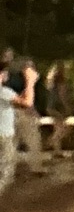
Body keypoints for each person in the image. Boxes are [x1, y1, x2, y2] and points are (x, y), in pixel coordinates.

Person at [12, 58, 43, 171]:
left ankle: (10, 167)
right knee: (33, 140)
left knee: (12, 142)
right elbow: (25, 99)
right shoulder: (25, 80)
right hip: (23, 112)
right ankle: (36, 167)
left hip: (13, 113)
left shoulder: (14, 79)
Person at [0, 68, 16, 198]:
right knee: (8, 165)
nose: (7, 75)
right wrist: (30, 81)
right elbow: (26, 102)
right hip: (4, 133)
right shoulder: (4, 92)